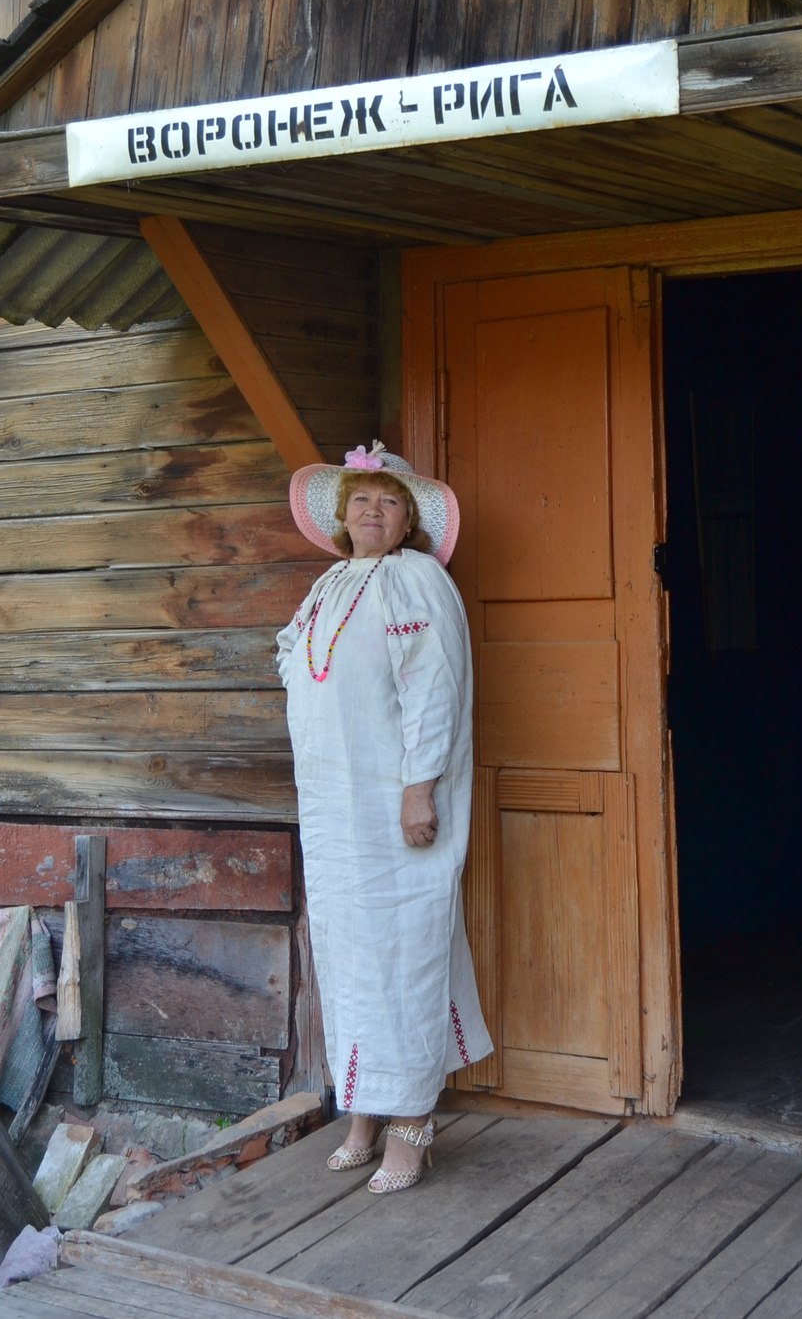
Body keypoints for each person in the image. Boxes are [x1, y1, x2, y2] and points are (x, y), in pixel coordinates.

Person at [276, 443, 494, 1194]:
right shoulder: (329, 584)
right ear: (341, 516)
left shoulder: (417, 579)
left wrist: (419, 787)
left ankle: (411, 1118)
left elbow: (434, 687)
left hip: (391, 800)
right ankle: (366, 1105)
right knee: (350, 949)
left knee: (403, 945)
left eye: (389, 501)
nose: (373, 510)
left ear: (409, 524)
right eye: (361, 499)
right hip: (336, 808)